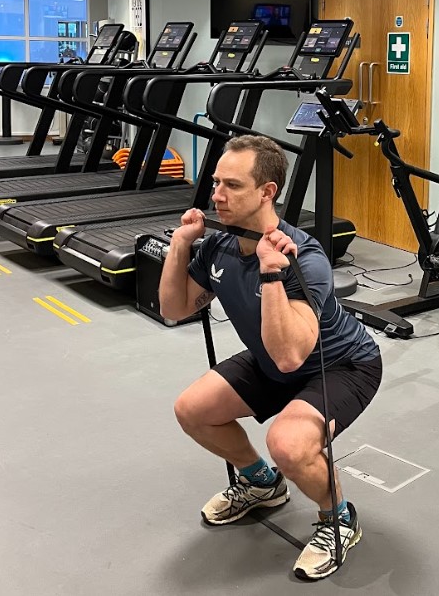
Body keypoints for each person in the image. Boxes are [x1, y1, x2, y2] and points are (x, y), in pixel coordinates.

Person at [159, 134, 382, 581]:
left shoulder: (304, 258)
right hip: (271, 359)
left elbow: (290, 357)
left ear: (267, 192)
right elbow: (174, 309)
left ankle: (338, 516)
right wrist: (182, 244)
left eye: (233, 186)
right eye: (216, 182)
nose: (216, 195)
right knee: (192, 410)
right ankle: (262, 484)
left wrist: (269, 273)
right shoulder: (218, 247)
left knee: (289, 444)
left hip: (339, 366)